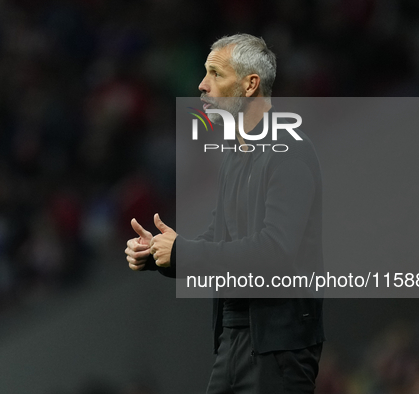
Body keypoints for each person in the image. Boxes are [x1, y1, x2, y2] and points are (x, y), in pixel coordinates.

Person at [125, 34, 325, 393]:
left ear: (250, 84)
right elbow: (217, 241)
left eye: (216, 74)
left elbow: (275, 251)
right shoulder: (234, 156)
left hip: (277, 347)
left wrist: (184, 251)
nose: (202, 85)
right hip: (231, 340)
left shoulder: (290, 151)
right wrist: (161, 254)